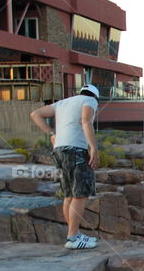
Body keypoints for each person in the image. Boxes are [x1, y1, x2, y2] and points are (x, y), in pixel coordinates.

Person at [31, 84, 100, 249]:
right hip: (75, 149)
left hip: (59, 150)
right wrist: (93, 147)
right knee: (80, 194)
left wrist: (51, 134)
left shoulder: (63, 102)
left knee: (69, 193)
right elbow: (85, 120)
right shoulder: (90, 100)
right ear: (96, 96)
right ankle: (73, 237)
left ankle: (73, 235)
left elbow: (35, 114)